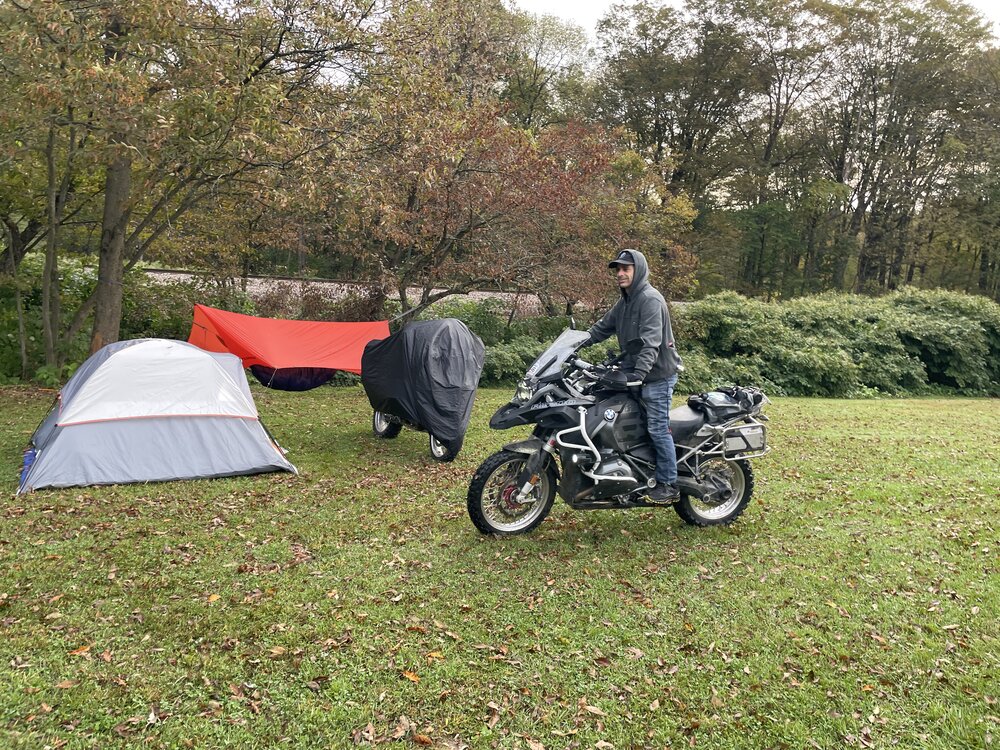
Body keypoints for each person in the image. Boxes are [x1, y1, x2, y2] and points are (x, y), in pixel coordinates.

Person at [586, 249, 683, 503]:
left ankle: (668, 483)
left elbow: (651, 343)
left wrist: (639, 374)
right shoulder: (626, 300)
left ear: (638, 270)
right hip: (633, 373)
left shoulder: (650, 299)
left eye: (626, 268)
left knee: (657, 428)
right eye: (617, 269)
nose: (620, 273)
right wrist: (574, 344)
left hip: (656, 376)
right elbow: (601, 328)